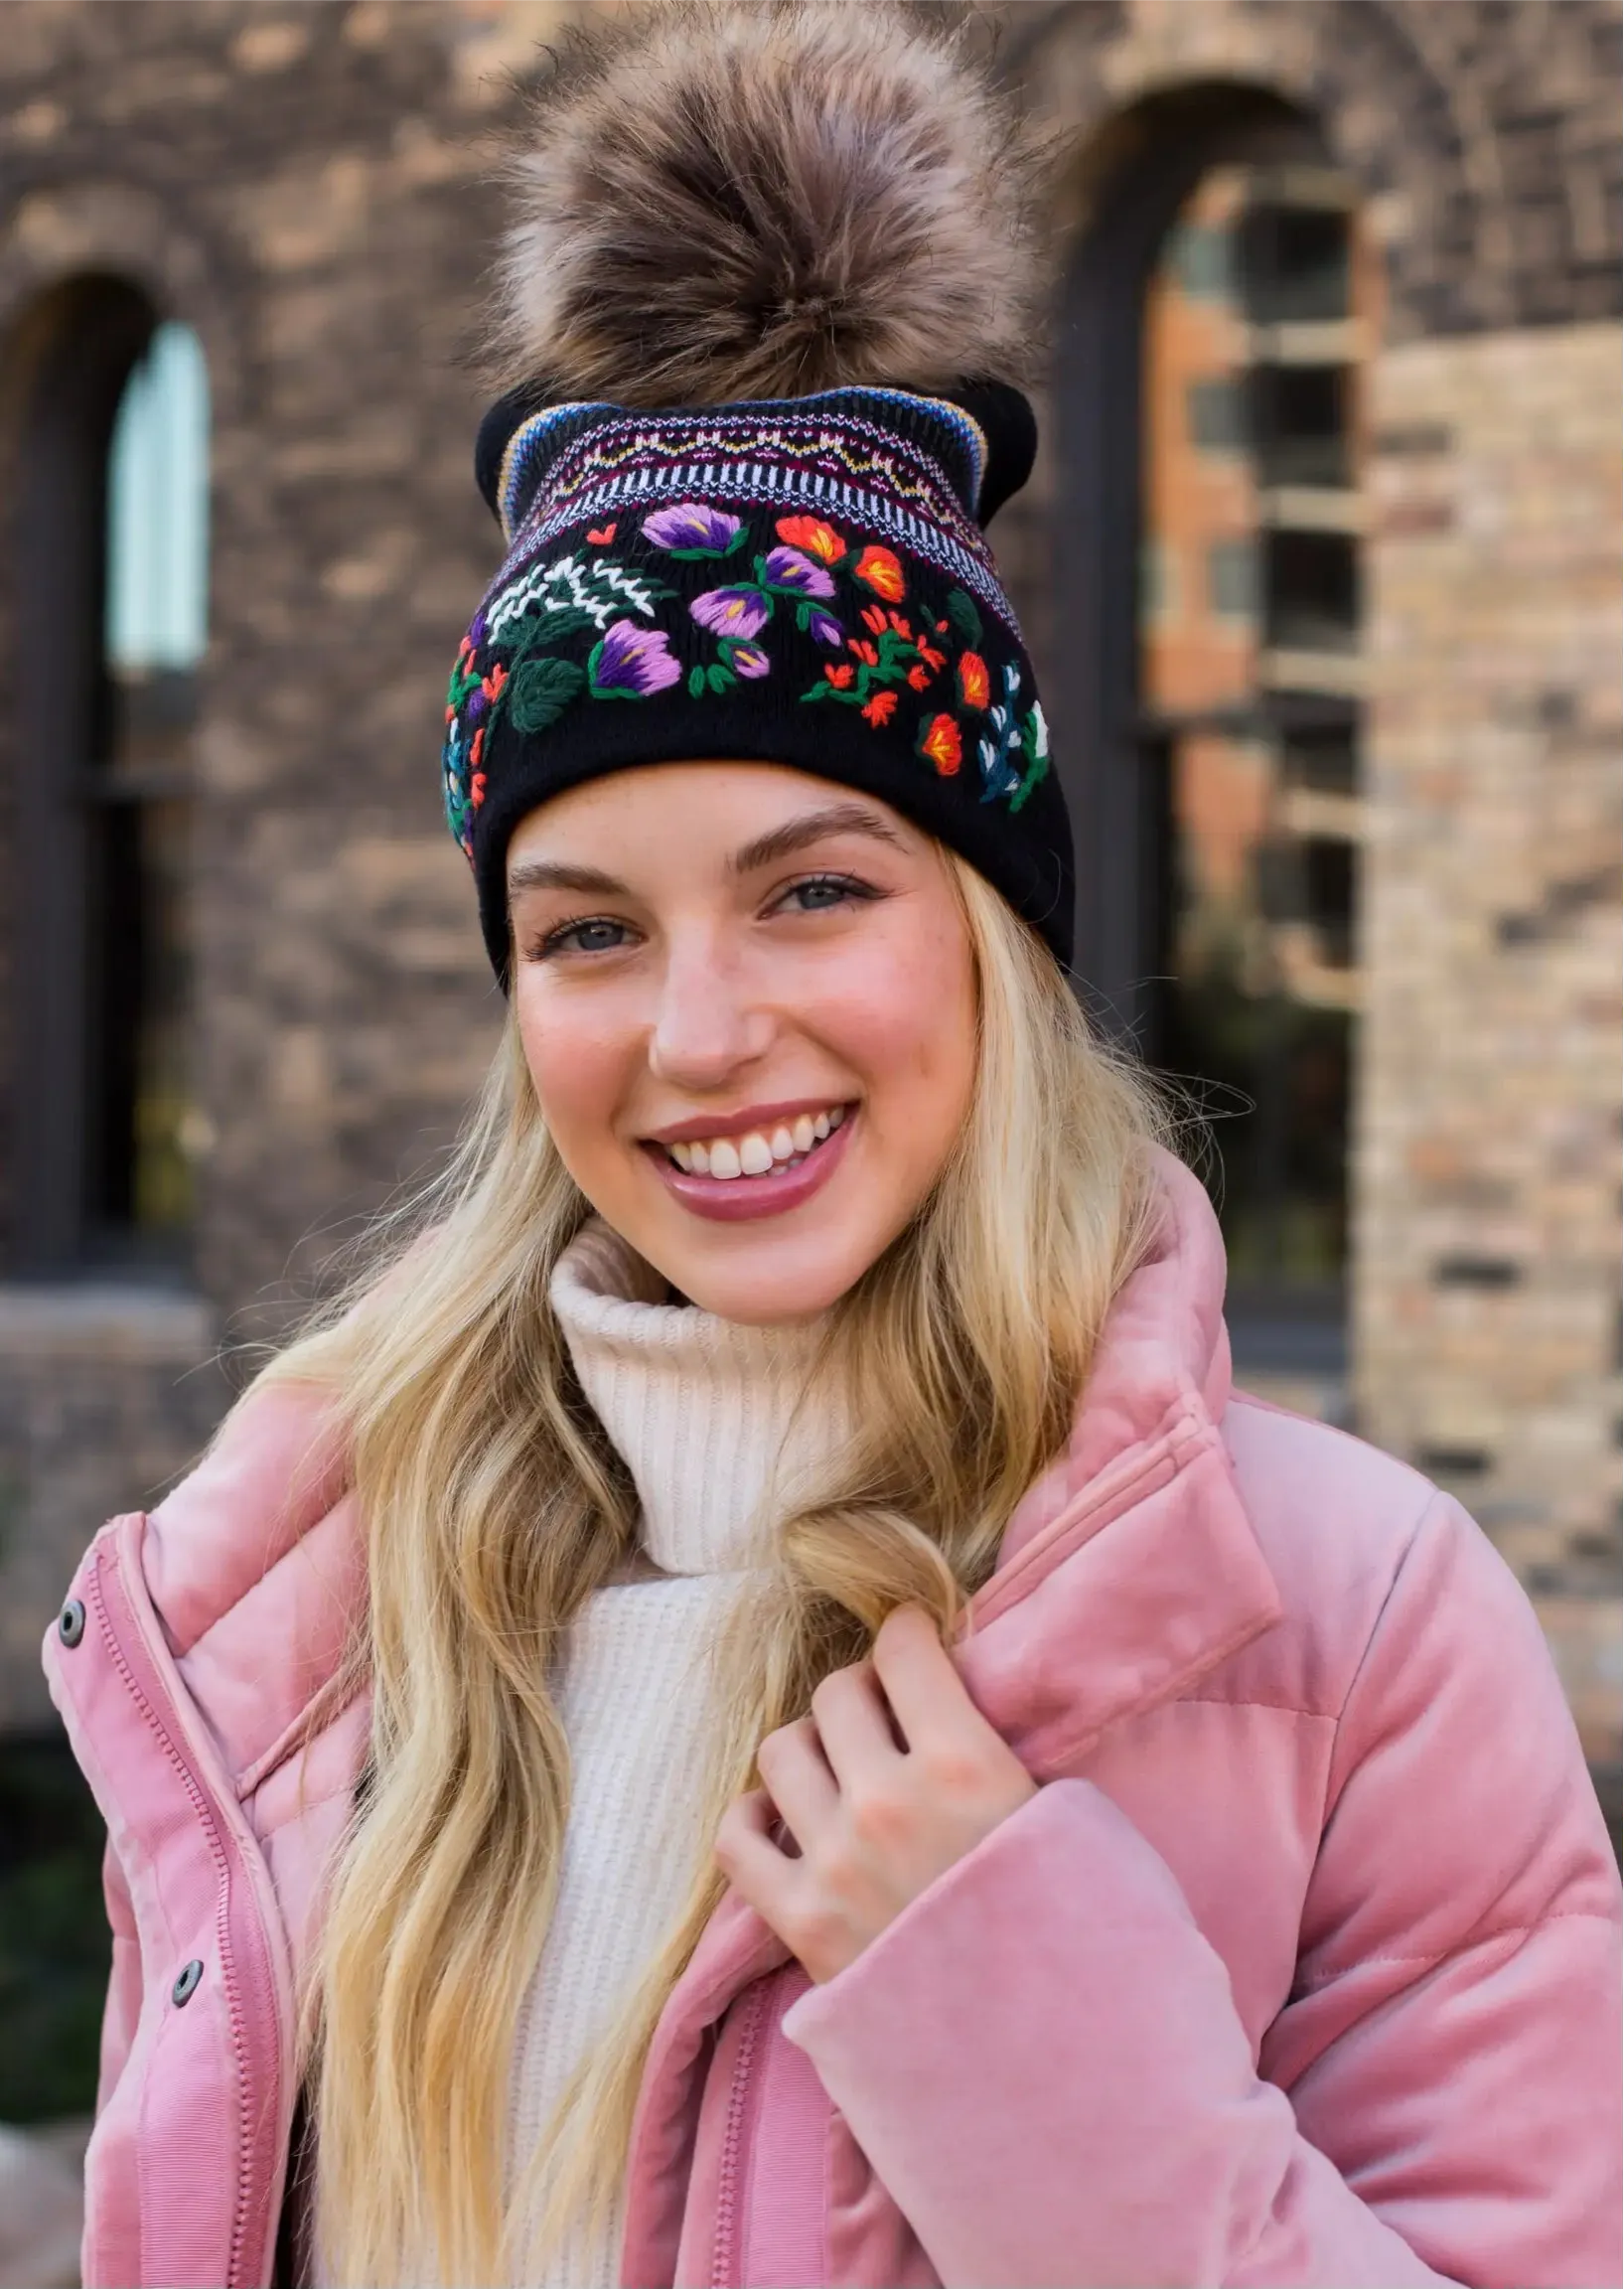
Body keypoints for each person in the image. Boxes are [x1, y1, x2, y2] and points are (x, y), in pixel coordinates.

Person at [43, 3, 1621, 2285]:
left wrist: (1008, 1991)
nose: (700, 1033)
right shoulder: (299, 1614)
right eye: (586, 929)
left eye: (813, 890)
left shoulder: (1350, 1629)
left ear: (993, 931)